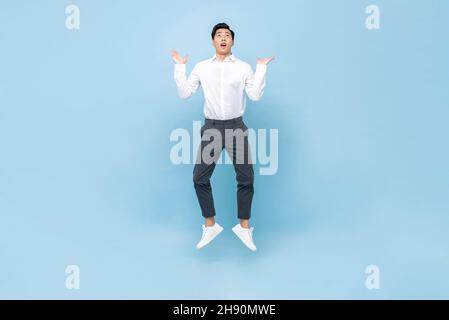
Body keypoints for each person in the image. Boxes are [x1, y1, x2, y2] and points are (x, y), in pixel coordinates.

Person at [172, 23, 274, 251]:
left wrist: (261, 69)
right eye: (219, 35)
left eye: (227, 35)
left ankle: (244, 228)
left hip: (236, 127)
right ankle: (210, 225)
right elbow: (184, 93)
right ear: (213, 41)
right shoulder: (201, 67)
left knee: (246, 177)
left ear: (233, 42)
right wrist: (180, 68)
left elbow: (255, 95)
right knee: (199, 177)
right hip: (212, 128)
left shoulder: (243, 67)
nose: (223, 38)